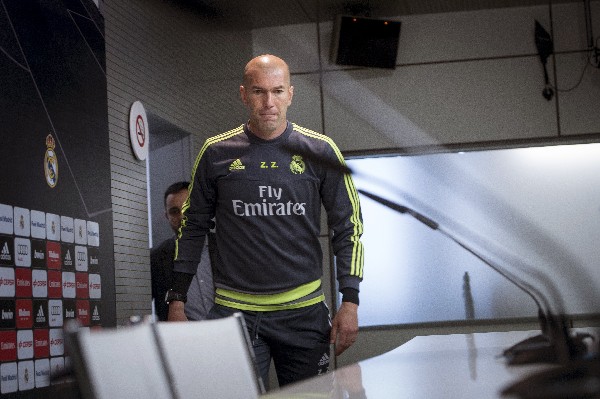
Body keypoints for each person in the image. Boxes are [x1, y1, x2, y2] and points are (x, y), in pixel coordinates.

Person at [166, 54, 364, 387]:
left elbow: (348, 228)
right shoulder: (216, 152)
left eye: (277, 91)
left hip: (304, 314)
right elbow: (191, 228)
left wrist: (351, 301)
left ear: (291, 94)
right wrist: (177, 300)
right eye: (259, 91)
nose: (268, 102)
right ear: (244, 94)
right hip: (234, 314)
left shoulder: (321, 150)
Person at [150, 181, 214, 321]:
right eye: (174, 211)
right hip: (181, 339)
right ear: (167, 216)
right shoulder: (155, 259)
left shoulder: (227, 248)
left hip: (231, 334)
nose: (182, 216)